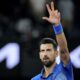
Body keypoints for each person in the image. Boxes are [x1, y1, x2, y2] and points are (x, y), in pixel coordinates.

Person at [31, 1, 74, 80]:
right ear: (40, 55)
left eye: (48, 50)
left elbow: (64, 51)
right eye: (42, 51)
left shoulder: (64, 70)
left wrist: (57, 26)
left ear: (56, 53)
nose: (45, 54)